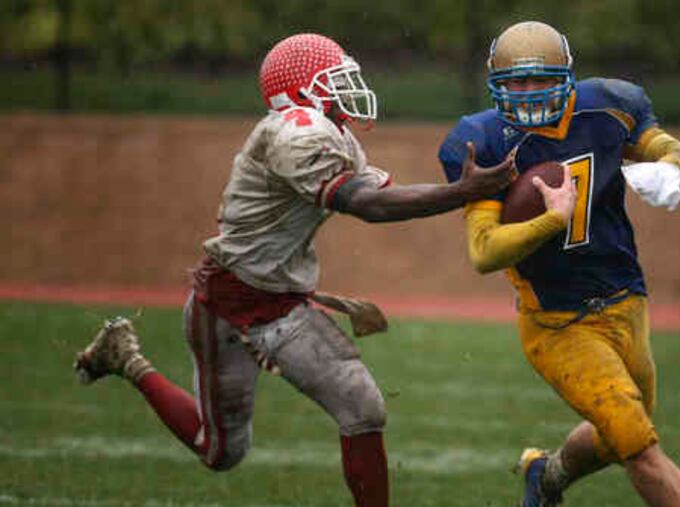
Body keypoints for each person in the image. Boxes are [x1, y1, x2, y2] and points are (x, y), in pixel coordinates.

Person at [74, 33, 511, 507]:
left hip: (282, 302)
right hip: (228, 302)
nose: (350, 87)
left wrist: (471, 192)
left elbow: (386, 192)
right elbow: (368, 205)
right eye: (336, 80)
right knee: (220, 450)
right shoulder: (294, 132)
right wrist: (462, 193)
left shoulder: (328, 131)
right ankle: (127, 359)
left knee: (363, 407)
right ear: (302, 91)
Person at [438, 21, 680, 507]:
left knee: (621, 432)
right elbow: (483, 252)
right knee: (639, 445)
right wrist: (552, 220)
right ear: (494, 85)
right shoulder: (482, 139)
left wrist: (671, 165)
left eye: (539, 79)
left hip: (628, 300)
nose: (526, 92)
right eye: (515, 82)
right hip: (556, 322)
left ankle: (546, 476)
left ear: (566, 77)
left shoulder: (608, 106)